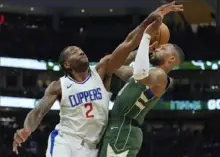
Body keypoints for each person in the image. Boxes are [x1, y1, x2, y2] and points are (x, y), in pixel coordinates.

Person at [12, 2, 182, 157]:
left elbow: (127, 43)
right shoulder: (60, 86)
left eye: (80, 49)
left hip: (92, 147)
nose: (79, 51)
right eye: (73, 51)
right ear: (67, 64)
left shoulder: (101, 72)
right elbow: (38, 112)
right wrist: (26, 129)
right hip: (66, 140)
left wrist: (147, 23)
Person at [98, 10, 185, 157]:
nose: (157, 48)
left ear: (171, 60)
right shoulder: (143, 73)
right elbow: (112, 64)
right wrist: (137, 52)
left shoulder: (160, 76)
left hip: (124, 130)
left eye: (163, 48)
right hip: (116, 128)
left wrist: (146, 37)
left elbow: (140, 73)